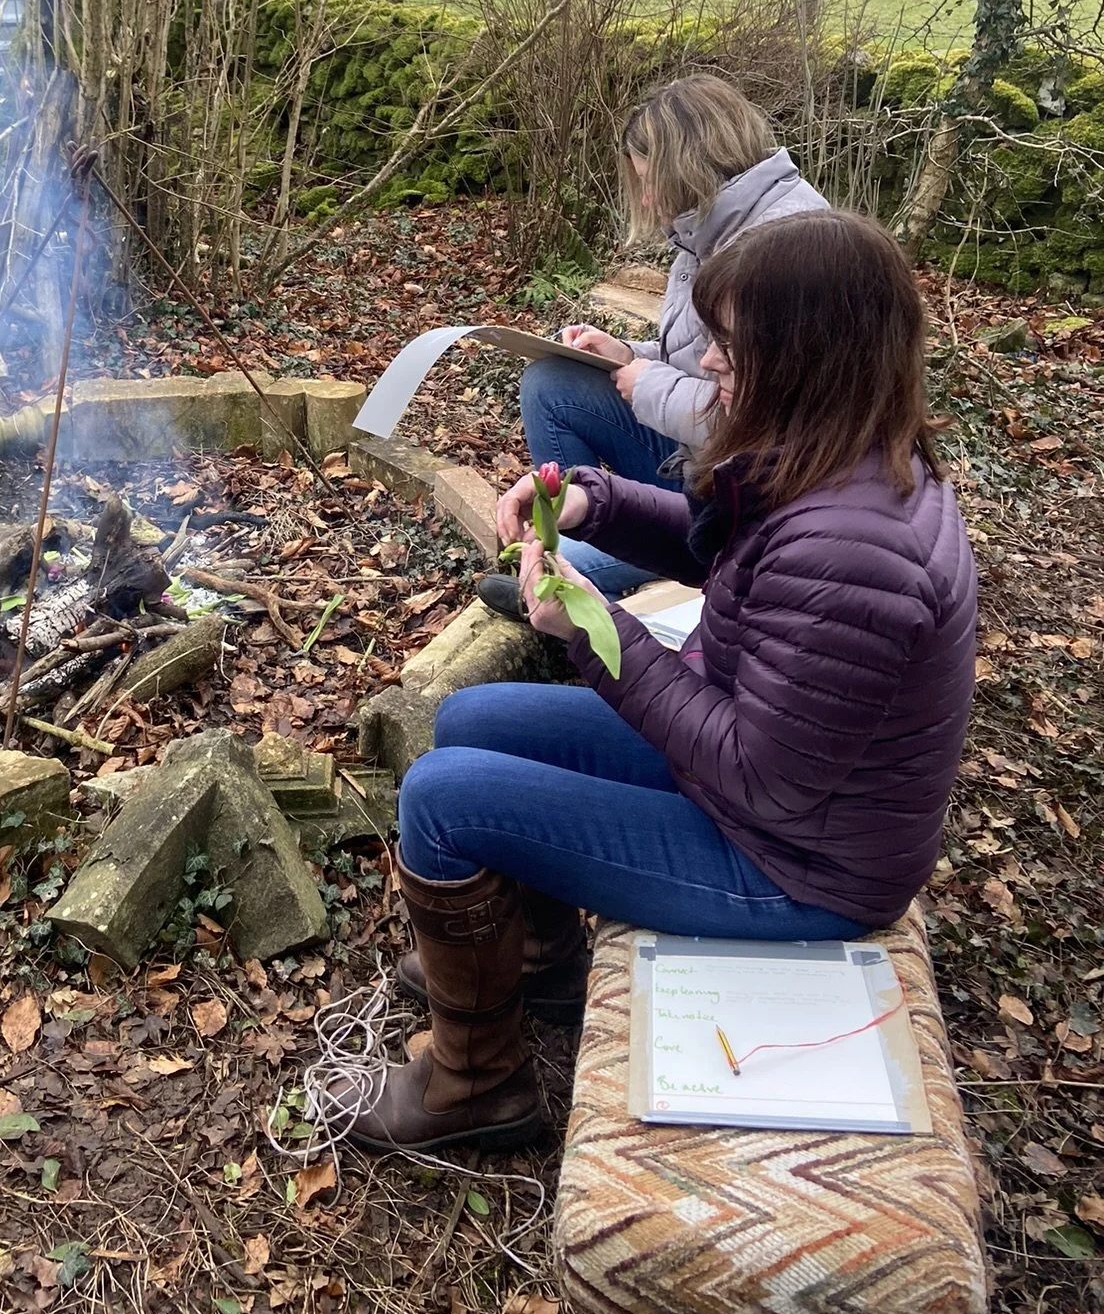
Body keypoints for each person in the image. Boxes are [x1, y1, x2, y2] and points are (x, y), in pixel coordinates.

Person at [347, 211, 977, 1154]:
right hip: (771, 797)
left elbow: (756, 774)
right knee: (470, 717)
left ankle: (475, 1084)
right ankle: (543, 959)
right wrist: (594, 500)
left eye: (732, 346)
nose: (711, 366)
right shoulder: (841, 460)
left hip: (797, 868)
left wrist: (593, 631)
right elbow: (711, 529)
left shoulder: (854, 548)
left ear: (807, 355)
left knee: (438, 797)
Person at [484, 73, 828, 607]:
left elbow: (761, 423)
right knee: (553, 381)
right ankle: (580, 548)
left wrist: (648, 384)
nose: (645, 195)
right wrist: (629, 355)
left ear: (689, 166)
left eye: (651, 178)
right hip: (698, 455)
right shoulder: (707, 228)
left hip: (751, 488)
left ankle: (600, 574)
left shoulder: (781, 249)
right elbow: (703, 361)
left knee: (570, 559)